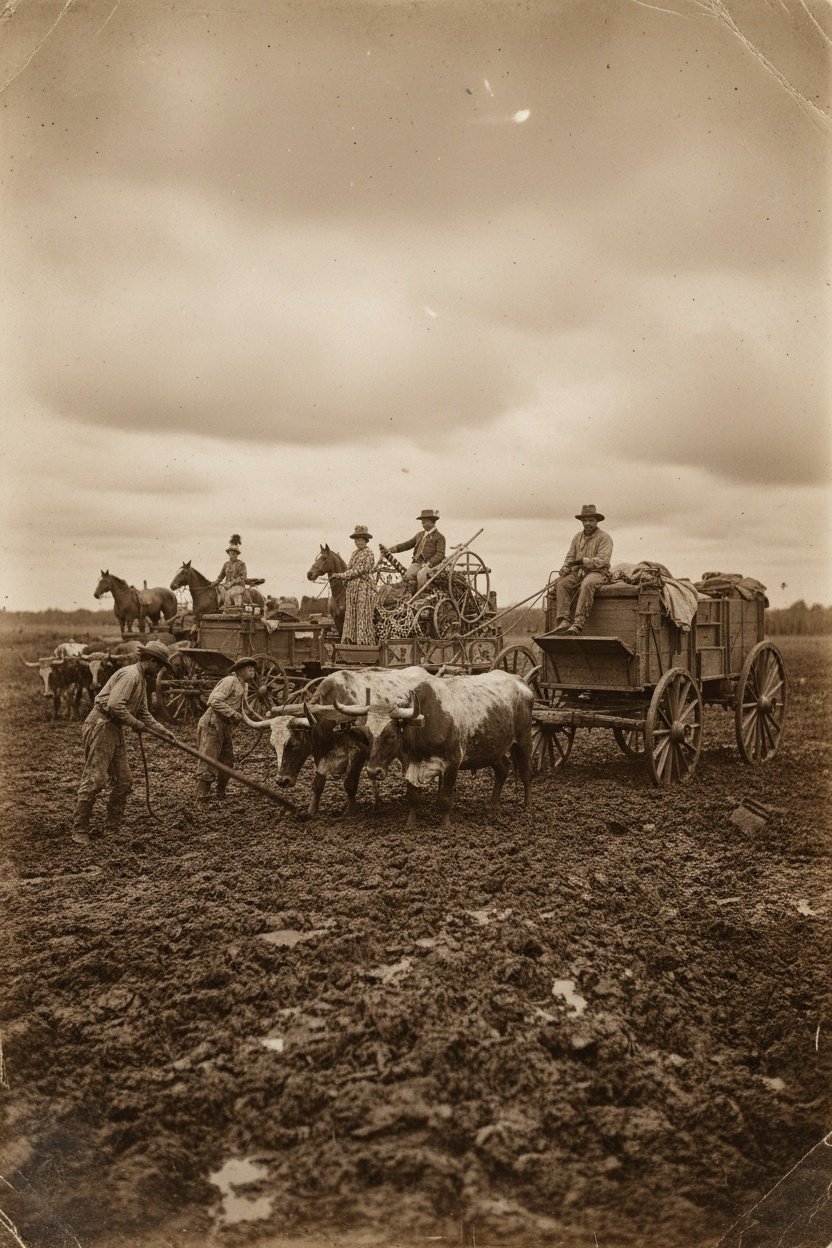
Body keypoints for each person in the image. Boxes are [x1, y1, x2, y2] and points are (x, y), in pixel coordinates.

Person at [72, 640, 176, 844]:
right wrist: (135, 723)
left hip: (114, 728)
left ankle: (113, 826)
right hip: (101, 724)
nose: (160, 670)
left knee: (124, 781)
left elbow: (144, 712)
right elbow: (114, 706)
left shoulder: (141, 679)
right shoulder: (130, 675)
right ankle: (80, 829)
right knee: (95, 779)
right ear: (151, 661)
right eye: (160, 665)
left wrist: (164, 732)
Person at [196, 658, 258, 802]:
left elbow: (241, 709)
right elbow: (213, 700)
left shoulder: (244, 685)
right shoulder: (230, 680)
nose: (252, 670)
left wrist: (256, 719)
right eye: (248, 667)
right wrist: (232, 713)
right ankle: (202, 794)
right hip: (212, 722)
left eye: (253, 668)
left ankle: (220, 791)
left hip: (225, 726)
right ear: (240, 671)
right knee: (209, 758)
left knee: (228, 760)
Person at [553, 505, 614, 634]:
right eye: (585, 521)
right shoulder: (577, 538)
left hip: (598, 572)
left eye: (591, 520)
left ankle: (578, 623)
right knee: (562, 583)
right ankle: (564, 620)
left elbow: (603, 560)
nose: (588, 523)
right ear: (582, 522)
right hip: (578, 572)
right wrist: (565, 567)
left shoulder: (605, 538)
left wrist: (585, 561)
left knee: (587, 584)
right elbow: (570, 556)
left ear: (596, 521)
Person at [329, 525, 378, 644]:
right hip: (352, 588)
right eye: (357, 540)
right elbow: (350, 569)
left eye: (361, 539)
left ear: (366, 541)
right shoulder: (355, 553)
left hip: (364, 588)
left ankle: (364, 642)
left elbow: (359, 570)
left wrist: (340, 575)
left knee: (362, 614)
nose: (358, 542)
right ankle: (351, 641)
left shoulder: (369, 553)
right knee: (351, 615)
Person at [383, 509, 446, 591]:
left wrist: (429, 563)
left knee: (421, 575)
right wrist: (392, 550)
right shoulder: (420, 535)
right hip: (418, 563)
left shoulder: (440, 537)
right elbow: (408, 544)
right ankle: (409, 595)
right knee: (407, 576)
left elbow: (440, 554)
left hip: (433, 565)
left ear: (433, 522)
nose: (424, 524)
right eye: (422, 522)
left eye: (426, 522)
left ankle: (420, 596)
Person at [213, 535, 249, 610]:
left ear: (237, 554)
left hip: (239, 587)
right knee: (219, 588)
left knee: (228, 593)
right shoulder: (226, 564)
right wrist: (214, 583)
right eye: (231, 553)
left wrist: (232, 582)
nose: (232, 555)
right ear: (228, 554)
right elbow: (221, 576)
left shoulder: (241, 564)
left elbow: (243, 577)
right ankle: (225, 606)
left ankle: (228, 608)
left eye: (234, 554)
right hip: (227, 586)